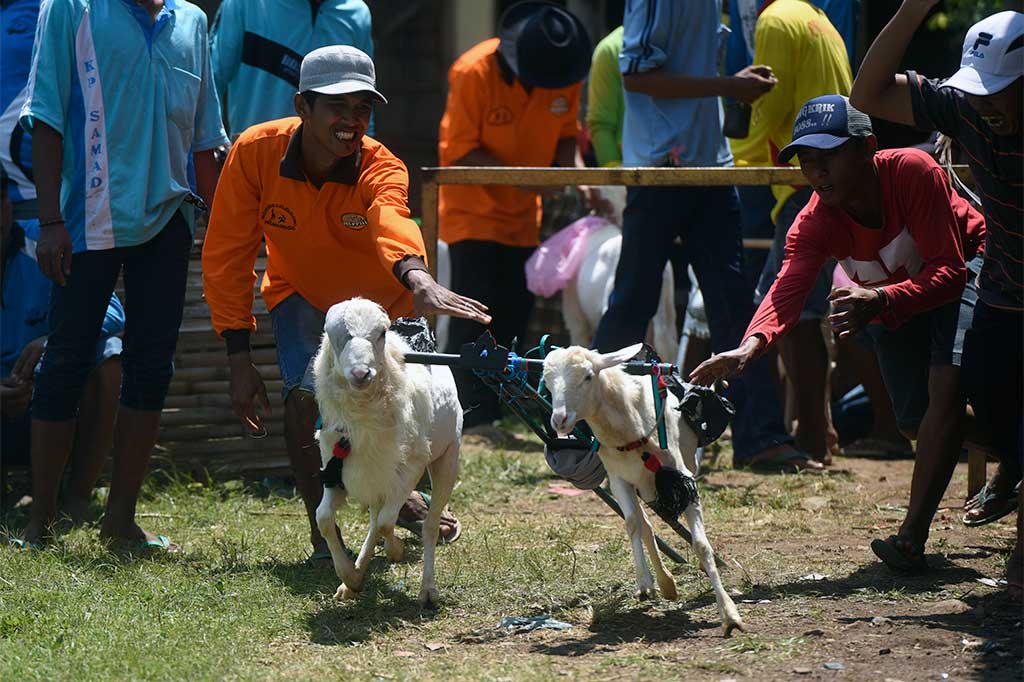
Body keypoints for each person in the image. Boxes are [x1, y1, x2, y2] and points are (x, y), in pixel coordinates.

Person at [202, 46, 490, 563]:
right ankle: (324, 537)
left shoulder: (381, 166)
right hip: (301, 294)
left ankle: (399, 496)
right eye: (337, 106)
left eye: (362, 108)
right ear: (302, 106)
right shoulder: (254, 153)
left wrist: (417, 276)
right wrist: (237, 357)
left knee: (400, 411)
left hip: (385, 304)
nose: (351, 121)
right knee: (302, 400)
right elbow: (227, 253)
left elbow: (391, 218)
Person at [691, 96, 987, 575]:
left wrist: (883, 301)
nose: (816, 171)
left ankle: (911, 538)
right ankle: (1014, 446)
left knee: (944, 392)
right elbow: (787, 288)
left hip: (968, 270)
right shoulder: (814, 220)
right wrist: (751, 346)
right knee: (915, 420)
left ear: (867, 147)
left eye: (827, 156)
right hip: (893, 297)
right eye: (806, 160)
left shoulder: (913, 170)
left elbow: (950, 272)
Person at [16, 0, 227, 549]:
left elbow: (206, 139)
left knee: (152, 364)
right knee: (65, 359)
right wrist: (50, 221)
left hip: (169, 221)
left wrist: (220, 228)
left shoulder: (192, 23)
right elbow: (45, 119)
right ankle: (42, 523)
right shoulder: (72, 9)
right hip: (87, 221)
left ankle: (120, 522)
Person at [590, 0, 821, 473]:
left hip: (711, 166)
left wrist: (730, 84)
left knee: (735, 303)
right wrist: (727, 85)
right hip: (660, 168)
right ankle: (588, 436)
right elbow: (635, 76)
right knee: (634, 301)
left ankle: (759, 438)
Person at [850, 2, 1022, 588]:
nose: (987, 104)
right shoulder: (965, 110)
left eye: (999, 91)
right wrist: (912, 8)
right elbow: (868, 90)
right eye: (980, 91)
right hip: (1001, 290)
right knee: (993, 415)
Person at [438, 0, 590, 431]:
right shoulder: (472, 73)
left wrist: (571, 174)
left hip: (525, 218)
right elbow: (460, 152)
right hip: (473, 215)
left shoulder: (562, 71)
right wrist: (529, 180)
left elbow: (565, 136)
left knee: (513, 317)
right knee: (473, 319)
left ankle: (501, 408)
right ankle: (467, 412)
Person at [728, 0, 852, 461]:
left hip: (806, 182)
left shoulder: (774, 21)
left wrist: (733, 160)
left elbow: (767, 107)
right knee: (807, 312)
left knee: (788, 311)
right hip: (827, 179)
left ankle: (812, 438)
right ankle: (822, 431)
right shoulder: (817, 17)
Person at [2, 178, 124, 529]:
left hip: (48, 403)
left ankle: (76, 498)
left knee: (109, 356)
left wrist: (55, 341)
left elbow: (111, 310)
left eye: (0, 199)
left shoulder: (43, 244)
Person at [210, 0, 375, 138]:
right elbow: (211, 81)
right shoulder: (246, 3)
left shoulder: (357, 15)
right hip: (255, 161)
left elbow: (364, 99)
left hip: (330, 168)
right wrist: (217, 143)